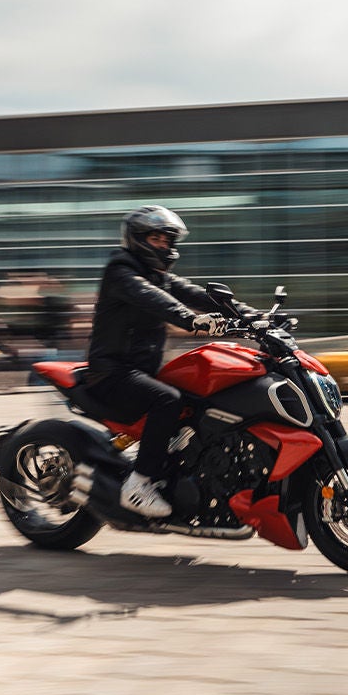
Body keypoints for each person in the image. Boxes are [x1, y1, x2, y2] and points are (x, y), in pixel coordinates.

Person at [84, 205, 248, 519]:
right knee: (167, 399)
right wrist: (192, 321)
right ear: (137, 239)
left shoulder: (161, 277)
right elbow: (153, 299)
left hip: (142, 372)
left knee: (203, 399)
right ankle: (139, 484)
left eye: (167, 239)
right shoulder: (121, 271)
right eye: (155, 238)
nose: (163, 245)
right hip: (112, 373)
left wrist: (256, 316)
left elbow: (203, 295)